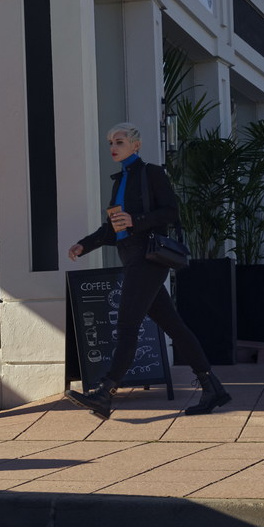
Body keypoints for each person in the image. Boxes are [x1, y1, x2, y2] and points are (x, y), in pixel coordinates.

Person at [66, 122, 232, 419]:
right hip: (132, 258)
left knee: (127, 326)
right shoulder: (120, 181)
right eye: (110, 143)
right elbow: (113, 227)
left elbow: (171, 212)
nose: (113, 147)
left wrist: (137, 221)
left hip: (148, 258)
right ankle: (212, 387)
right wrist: (84, 244)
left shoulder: (151, 173)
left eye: (119, 141)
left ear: (136, 145)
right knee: (174, 326)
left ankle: (105, 393)